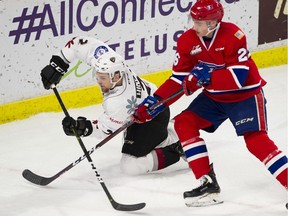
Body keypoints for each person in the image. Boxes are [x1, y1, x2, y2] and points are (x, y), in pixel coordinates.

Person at [134, 0, 288, 207]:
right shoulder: (187, 40)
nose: (194, 26)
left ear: (214, 23)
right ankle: (208, 184)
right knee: (184, 122)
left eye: (200, 22)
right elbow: (178, 79)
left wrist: (204, 78)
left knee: (255, 141)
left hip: (244, 95)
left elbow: (238, 77)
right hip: (214, 98)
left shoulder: (233, 35)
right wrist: (155, 103)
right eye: (193, 21)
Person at [40, 36, 185, 175]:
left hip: (150, 118)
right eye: (97, 75)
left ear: (116, 77)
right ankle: (176, 129)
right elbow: (78, 44)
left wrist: (82, 127)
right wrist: (59, 63)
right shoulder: (109, 61)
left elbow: (104, 129)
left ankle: (177, 147)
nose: (98, 80)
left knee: (130, 166)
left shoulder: (119, 103)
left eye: (102, 78)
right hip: (150, 105)